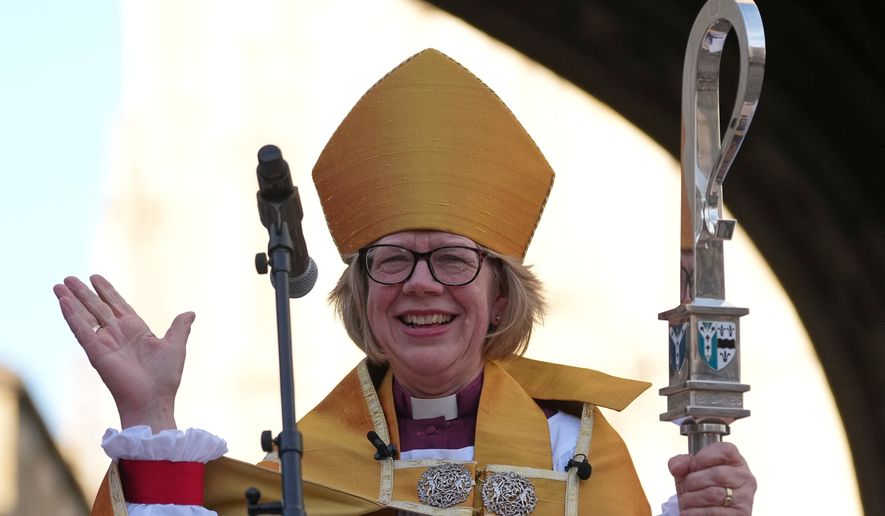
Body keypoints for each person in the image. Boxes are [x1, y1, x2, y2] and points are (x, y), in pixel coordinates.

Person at [55, 49, 756, 515]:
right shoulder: (300, 470)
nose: (422, 285)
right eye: (391, 260)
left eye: (452, 259)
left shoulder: (574, 451)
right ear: (361, 294)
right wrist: (149, 416)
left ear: (500, 295)